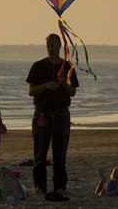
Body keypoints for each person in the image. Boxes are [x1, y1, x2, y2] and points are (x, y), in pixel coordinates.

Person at [26, 33, 79, 199]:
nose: (51, 49)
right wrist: (47, 85)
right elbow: (31, 91)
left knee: (60, 155)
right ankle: (39, 188)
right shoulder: (38, 66)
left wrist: (63, 83)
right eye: (48, 46)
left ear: (60, 47)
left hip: (62, 114)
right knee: (40, 155)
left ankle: (60, 188)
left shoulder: (68, 66)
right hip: (42, 113)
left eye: (54, 45)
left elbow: (72, 92)